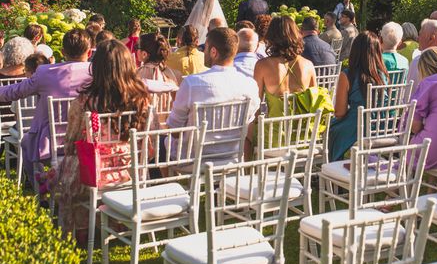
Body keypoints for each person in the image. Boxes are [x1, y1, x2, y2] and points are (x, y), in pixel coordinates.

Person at [56, 39, 149, 236]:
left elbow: (71, 142)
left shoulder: (84, 102)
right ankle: (119, 222)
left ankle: (81, 230)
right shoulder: (141, 100)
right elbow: (147, 142)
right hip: (131, 170)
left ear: (96, 68)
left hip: (94, 175)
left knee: (71, 165)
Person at [0, 29, 92, 186]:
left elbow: (15, 91)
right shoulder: (96, 72)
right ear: (89, 52)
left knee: (26, 142)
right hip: (87, 140)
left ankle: (39, 185)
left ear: (63, 52)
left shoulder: (45, 72)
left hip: (49, 144)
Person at [168, 27, 260, 161]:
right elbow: (249, 123)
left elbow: (175, 130)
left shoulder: (191, 83)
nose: (203, 52)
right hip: (232, 156)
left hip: (193, 158)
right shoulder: (249, 85)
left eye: (204, 48)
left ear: (213, 51)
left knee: (163, 143)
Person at [328, 32, 388, 161]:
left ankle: (333, 169)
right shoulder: (382, 76)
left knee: (331, 130)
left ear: (354, 51)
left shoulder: (347, 75)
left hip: (355, 128)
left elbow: (340, 112)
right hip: (379, 129)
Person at [253, 16, 318, 118]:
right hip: (303, 131)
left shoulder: (262, 66)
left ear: (271, 36)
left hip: (273, 131)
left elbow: (255, 106)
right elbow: (315, 101)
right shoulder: (308, 65)